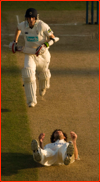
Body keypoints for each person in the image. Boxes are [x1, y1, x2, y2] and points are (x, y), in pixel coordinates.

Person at [9, 8, 59, 107]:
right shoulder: (23, 25)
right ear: (26, 18)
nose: (31, 19)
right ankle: (31, 100)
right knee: (28, 74)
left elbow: (53, 38)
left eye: (32, 17)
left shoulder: (42, 25)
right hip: (29, 53)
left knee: (44, 76)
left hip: (42, 55)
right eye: (29, 17)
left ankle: (43, 87)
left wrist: (45, 45)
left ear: (36, 18)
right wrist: (15, 41)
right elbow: (18, 28)